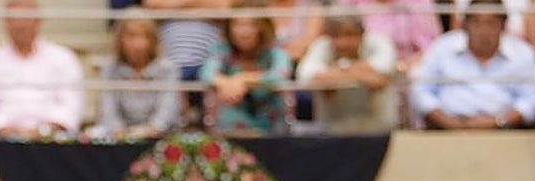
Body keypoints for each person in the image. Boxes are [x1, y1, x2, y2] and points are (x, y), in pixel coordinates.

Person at [411, 0, 535, 131]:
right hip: (446, 130)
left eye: (491, 23)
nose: (484, 30)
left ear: (503, 26)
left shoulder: (523, 53)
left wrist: (499, 122)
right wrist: (448, 122)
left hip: (504, 132)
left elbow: (531, 102)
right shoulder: (443, 46)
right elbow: (421, 92)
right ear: (465, 25)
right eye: (476, 22)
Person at [0, 0, 85, 139]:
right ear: (5, 23)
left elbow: (72, 108)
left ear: (38, 21)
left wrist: (44, 131)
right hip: (2, 144)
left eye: (25, 18)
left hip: (54, 142)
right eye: (14, 19)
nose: (20, 25)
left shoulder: (64, 58)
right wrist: (8, 132)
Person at [199, 0, 292, 134]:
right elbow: (206, 74)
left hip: (271, 125)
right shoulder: (222, 49)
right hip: (233, 125)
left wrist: (244, 79)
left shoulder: (274, 49)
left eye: (252, 25)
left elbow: (280, 75)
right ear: (229, 27)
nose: (244, 32)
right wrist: (226, 83)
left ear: (263, 27)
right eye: (238, 25)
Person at [296, 15, 397, 134]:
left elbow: (385, 70)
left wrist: (338, 72)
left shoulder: (380, 42)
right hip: (332, 132)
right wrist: (362, 74)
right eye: (337, 36)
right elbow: (305, 76)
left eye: (350, 35)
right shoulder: (321, 46)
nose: (344, 43)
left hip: (377, 131)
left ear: (362, 35)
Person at [96, 9, 182, 139]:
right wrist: (119, 132)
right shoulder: (110, 68)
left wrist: (151, 130)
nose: (138, 44)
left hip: (158, 138)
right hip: (119, 140)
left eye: (144, 36)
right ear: (120, 39)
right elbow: (109, 111)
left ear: (153, 40)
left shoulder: (168, 69)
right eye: (131, 36)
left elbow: (167, 111)